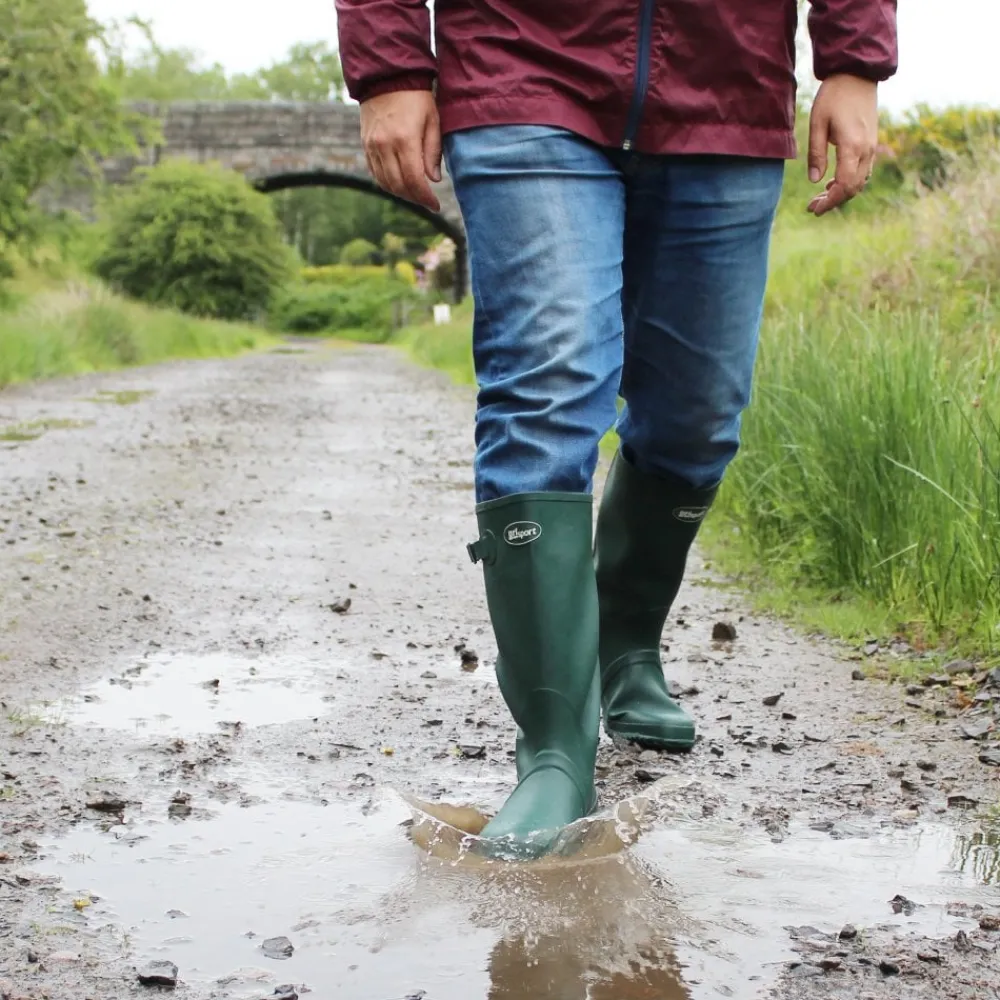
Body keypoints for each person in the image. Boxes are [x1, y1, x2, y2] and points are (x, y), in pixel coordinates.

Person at [336, 0, 898, 853]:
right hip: (518, 59)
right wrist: (391, 65)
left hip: (726, 76)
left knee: (698, 414)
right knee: (548, 384)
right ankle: (557, 751)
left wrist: (853, 61)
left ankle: (625, 653)